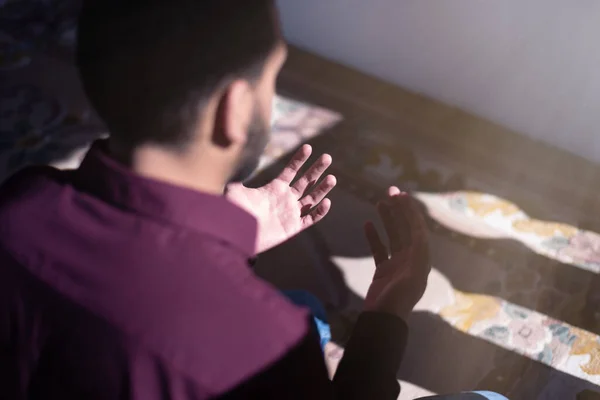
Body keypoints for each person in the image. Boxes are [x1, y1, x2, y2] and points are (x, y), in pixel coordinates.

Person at [0, 1, 507, 399]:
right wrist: (386, 312)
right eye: (271, 75)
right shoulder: (264, 342)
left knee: (306, 309)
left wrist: (215, 245)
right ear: (235, 109)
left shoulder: (22, 205)